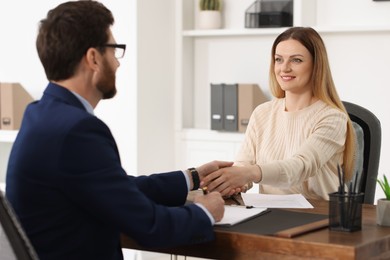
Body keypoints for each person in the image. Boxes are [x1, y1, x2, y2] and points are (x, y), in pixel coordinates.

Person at [5, 1, 232, 259]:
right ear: (93, 58)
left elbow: (115, 189)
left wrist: (191, 177)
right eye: (114, 50)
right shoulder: (77, 130)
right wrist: (206, 211)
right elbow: (150, 225)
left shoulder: (41, 113)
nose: (117, 63)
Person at [200, 27, 356, 201]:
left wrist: (250, 173)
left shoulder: (332, 118)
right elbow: (244, 164)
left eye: (296, 60)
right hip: (269, 212)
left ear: (316, 65)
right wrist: (233, 182)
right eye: (278, 60)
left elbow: (300, 167)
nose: (284, 68)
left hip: (318, 215)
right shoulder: (262, 113)